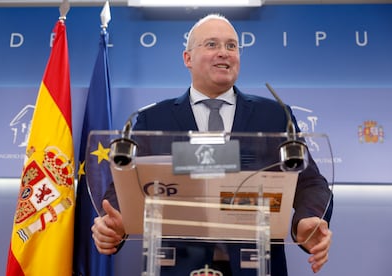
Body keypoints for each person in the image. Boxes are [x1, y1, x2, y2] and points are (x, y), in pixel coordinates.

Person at [91, 13, 333, 276]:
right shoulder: (154, 118)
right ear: (187, 58)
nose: (224, 53)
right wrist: (114, 222)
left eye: (231, 46)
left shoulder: (275, 116)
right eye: (211, 45)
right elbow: (127, 185)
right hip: (178, 266)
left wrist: (308, 219)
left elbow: (309, 182)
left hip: (256, 265)